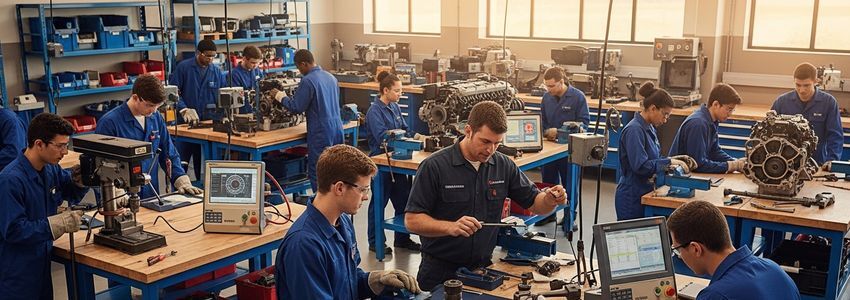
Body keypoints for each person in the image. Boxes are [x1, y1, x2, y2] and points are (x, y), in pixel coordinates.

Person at [405, 101, 568, 290]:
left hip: (483, 271)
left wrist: (550, 199)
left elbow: (535, 203)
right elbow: (412, 220)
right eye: (485, 141)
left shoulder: (503, 165)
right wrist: (451, 227)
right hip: (439, 272)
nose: (491, 150)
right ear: (468, 131)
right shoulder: (435, 167)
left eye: (497, 143)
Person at [276, 144, 420, 299]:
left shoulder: (343, 222)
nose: (366, 197)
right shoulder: (304, 245)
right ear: (339, 188)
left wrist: (374, 280)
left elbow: (345, 281)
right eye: (363, 189)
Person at [0, 113, 89, 299]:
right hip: (16, 271)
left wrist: (80, 182)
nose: (65, 152)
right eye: (60, 146)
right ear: (39, 144)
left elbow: (70, 192)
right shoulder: (10, 180)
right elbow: (14, 230)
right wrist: (55, 224)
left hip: (41, 264)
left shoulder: (50, 169)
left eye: (66, 145)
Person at [96, 74, 203, 200]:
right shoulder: (110, 123)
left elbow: (168, 153)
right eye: (150, 105)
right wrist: (115, 198)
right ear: (135, 97)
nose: (153, 110)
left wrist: (181, 179)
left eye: (157, 106)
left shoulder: (155, 118)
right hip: (120, 199)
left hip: (150, 195)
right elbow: (100, 168)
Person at [667, 200, 800, 299]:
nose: (679, 255)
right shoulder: (774, 269)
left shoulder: (716, 295)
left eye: (677, 250)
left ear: (696, 249)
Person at [616, 82, 695, 221]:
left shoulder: (649, 128)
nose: (665, 120)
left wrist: (674, 159)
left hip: (644, 191)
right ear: (653, 108)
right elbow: (641, 166)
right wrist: (669, 162)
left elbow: (654, 158)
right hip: (632, 197)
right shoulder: (634, 130)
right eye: (664, 114)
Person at [364, 71, 421, 254]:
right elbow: (383, 137)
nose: (400, 94)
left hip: (399, 161)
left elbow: (404, 129)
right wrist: (402, 138)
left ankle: (402, 240)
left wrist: (417, 138)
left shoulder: (395, 107)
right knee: (379, 203)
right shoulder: (374, 111)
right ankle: (375, 242)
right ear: (386, 90)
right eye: (397, 91)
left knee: (403, 201)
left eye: (401, 91)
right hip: (382, 163)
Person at [272, 49, 344, 191]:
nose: (299, 71)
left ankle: (320, 208)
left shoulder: (308, 80)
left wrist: (280, 96)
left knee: (319, 171)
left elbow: (297, 106)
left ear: (303, 64)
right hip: (337, 128)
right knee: (336, 170)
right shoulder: (331, 77)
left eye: (299, 67)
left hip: (320, 132)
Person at [539, 66, 589, 224]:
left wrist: (560, 132)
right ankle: (548, 214)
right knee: (548, 183)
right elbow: (542, 122)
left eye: (552, 86)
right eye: (546, 86)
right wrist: (547, 132)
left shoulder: (577, 97)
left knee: (570, 184)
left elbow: (584, 124)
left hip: (570, 150)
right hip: (550, 150)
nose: (549, 89)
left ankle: (569, 219)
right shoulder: (546, 98)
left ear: (561, 82)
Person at [170, 39, 226, 179]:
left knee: (205, 165)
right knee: (180, 163)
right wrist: (183, 109)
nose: (211, 59)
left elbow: (224, 96)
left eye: (213, 56)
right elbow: (173, 94)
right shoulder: (183, 68)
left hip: (208, 124)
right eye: (207, 56)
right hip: (185, 125)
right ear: (198, 53)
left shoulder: (216, 72)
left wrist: (225, 114)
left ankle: (202, 190)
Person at [771, 62, 842, 165]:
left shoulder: (829, 103)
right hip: (785, 164)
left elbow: (835, 136)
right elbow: (768, 133)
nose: (802, 90)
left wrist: (832, 161)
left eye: (806, 85)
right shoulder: (781, 102)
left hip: (817, 164)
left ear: (816, 82)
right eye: (798, 85)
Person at [669, 83, 746, 173]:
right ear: (716, 104)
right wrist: (731, 166)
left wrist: (735, 162)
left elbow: (715, 152)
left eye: (732, 110)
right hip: (680, 177)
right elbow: (698, 165)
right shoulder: (698, 124)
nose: (730, 114)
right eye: (729, 109)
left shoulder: (711, 121)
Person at [227, 45, 264, 114]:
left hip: (258, 111)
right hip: (243, 113)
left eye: (258, 63)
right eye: (253, 62)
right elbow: (236, 99)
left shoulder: (257, 71)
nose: (255, 65)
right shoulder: (234, 75)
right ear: (244, 59)